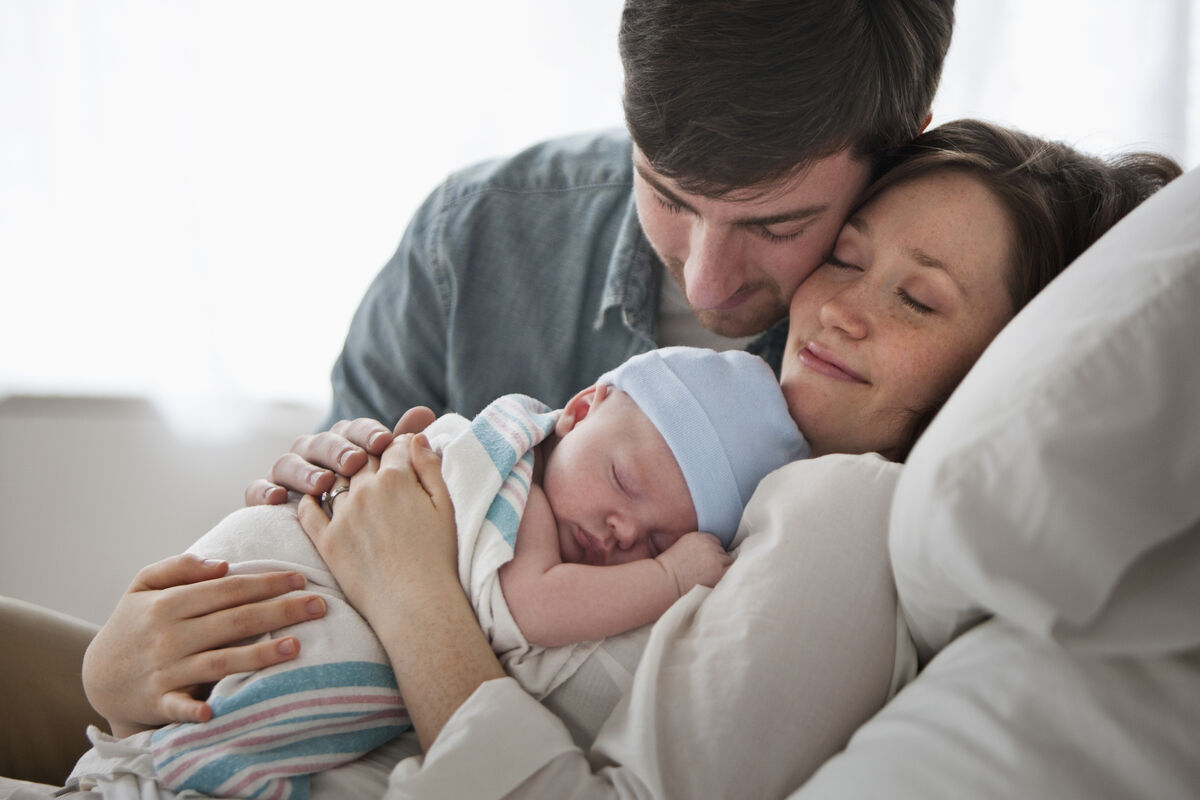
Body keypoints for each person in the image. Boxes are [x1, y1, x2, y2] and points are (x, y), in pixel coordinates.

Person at [81, 0, 960, 745]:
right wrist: (125, 678)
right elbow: (308, 582)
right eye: (667, 195)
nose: (704, 282)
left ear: (900, 149)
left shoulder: (932, 371)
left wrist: (417, 592)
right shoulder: (474, 240)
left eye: (775, 226)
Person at [83, 348, 805, 799]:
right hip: (277, 578)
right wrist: (670, 573)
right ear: (582, 409)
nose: (622, 530)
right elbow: (531, 606)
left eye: (656, 539)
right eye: (622, 480)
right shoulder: (519, 479)